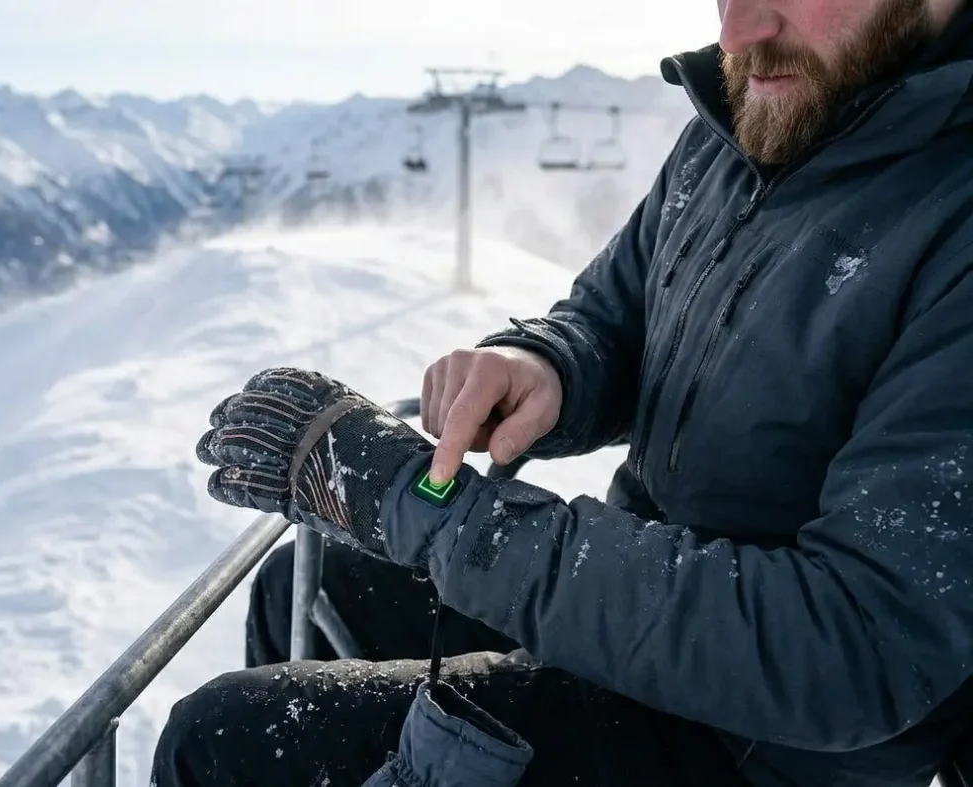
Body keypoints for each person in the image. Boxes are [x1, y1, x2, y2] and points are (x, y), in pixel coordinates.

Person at [151, 0, 973, 784]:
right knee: (309, 582)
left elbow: (857, 648)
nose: (736, 28)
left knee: (222, 744)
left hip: (761, 745)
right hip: (637, 614)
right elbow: (616, 315)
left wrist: (427, 506)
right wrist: (544, 365)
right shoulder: (745, 125)